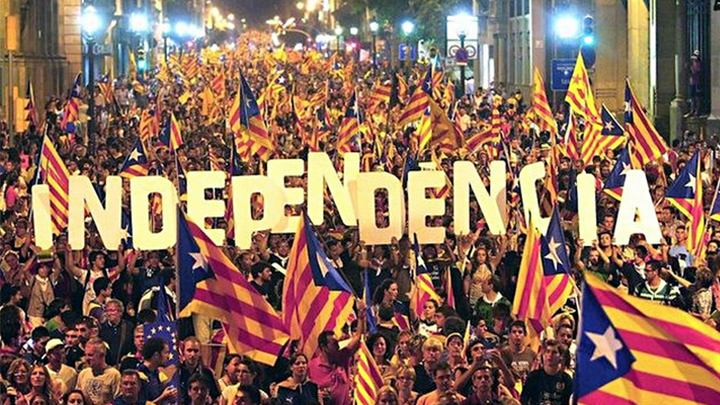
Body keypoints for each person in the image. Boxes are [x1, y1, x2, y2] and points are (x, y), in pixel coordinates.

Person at [308, 300, 366, 405]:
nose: (338, 346)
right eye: (334, 344)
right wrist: (317, 394)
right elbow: (305, 390)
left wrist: (361, 317)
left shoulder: (342, 356)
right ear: (323, 347)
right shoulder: (311, 366)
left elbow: (357, 339)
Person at [520, 340, 572, 405]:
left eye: (554, 352)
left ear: (561, 356)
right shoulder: (533, 377)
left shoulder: (566, 379)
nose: (550, 355)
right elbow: (524, 400)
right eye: (548, 351)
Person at [75, 338, 121, 405]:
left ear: (102, 355)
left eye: (90, 355)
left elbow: (118, 399)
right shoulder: (83, 373)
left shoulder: (114, 374)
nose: (86, 358)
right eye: (85, 355)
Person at [178, 337, 220, 405]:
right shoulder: (176, 373)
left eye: (196, 351)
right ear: (183, 352)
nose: (192, 354)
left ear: (200, 353)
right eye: (189, 350)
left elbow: (216, 397)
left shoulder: (207, 373)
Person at [137, 336, 177, 404]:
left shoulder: (158, 375)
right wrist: (162, 397)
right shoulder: (139, 377)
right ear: (156, 355)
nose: (168, 356)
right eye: (166, 353)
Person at [99, 299, 134, 366]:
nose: (109, 313)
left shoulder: (129, 327)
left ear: (120, 312)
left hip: (123, 364)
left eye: (112, 310)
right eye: (107, 311)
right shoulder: (101, 328)